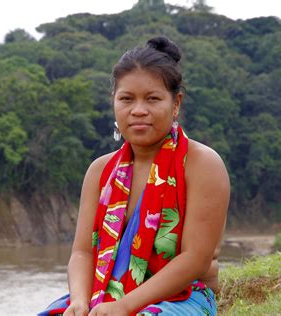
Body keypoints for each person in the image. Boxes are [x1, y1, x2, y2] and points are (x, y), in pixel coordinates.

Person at [39, 36, 229, 316]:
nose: (138, 110)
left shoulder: (202, 164)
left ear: (176, 103)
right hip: (103, 294)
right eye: (127, 99)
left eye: (152, 99)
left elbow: (196, 260)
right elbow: (82, 253)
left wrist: (125, 306)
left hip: (180, 297)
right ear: (114, 103)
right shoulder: (100, 171)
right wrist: (79, 302)